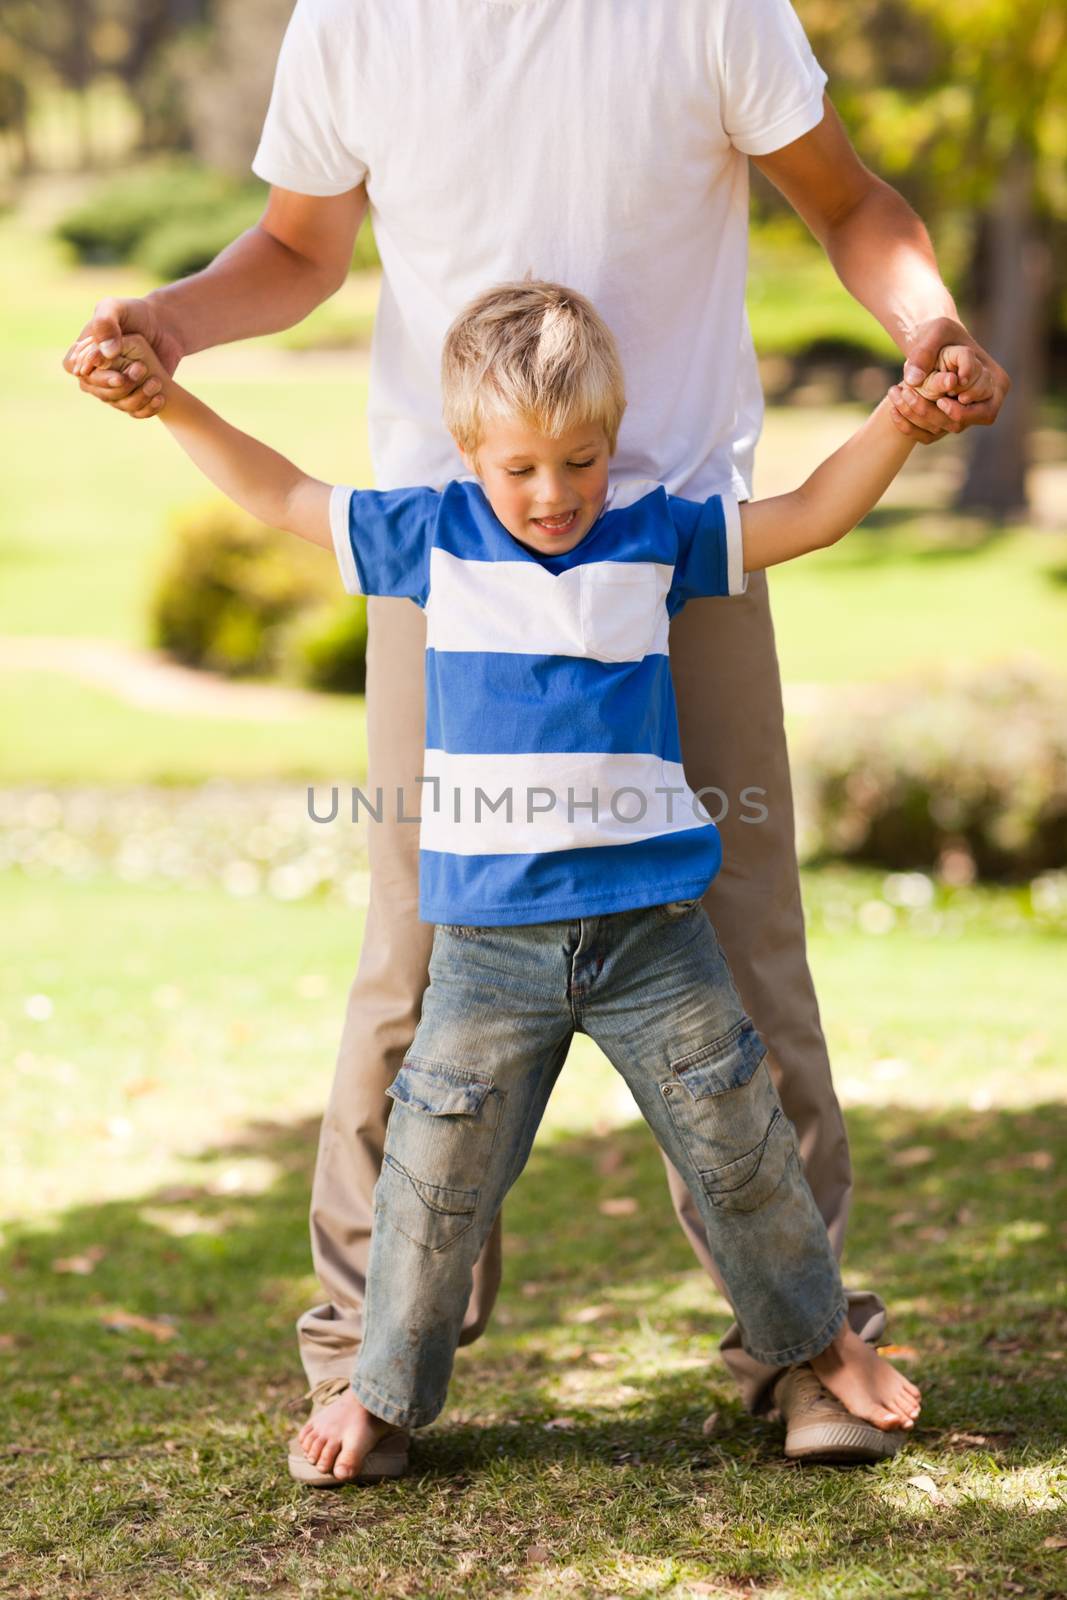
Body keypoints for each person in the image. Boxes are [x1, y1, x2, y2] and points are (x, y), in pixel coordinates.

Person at [63, 0, 1008, 1471]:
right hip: (449, 572)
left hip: (684, 543)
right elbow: (300, 248)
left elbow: (847, 200)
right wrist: (165, 332)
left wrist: (927, 329)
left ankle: (804, 1347)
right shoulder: (355, 24)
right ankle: (362, 1360)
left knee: (745, 953)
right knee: (416, 962)